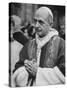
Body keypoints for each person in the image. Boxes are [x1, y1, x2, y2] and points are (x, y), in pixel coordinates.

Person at [12, 7, 65, 87]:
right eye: (35, 21)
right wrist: (27, 71)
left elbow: (64, 72)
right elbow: (17, 69)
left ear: (51, 24)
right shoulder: (29, 45)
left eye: (41, 22)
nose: (36, 25)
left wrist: (38, 72)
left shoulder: (61, 44)